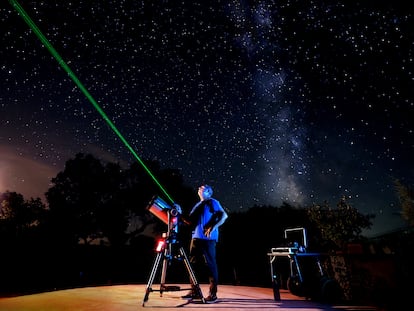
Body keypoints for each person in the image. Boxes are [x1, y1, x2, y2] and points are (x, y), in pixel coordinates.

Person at [181, 184, 228, 303]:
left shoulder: (212, 202)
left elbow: (224, 216)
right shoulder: (197, 204)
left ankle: (213, 294)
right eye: (199, 188)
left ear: (208, 192)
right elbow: (189, 220)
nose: (199, 188)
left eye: (202, 188)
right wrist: (180, 213)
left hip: (208, 238)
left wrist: (213, 226)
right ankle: (194, 291)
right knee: (193, 265)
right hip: (196, 238)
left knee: (211, 265)